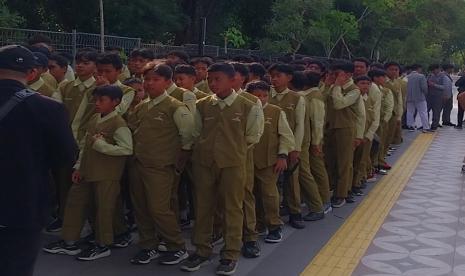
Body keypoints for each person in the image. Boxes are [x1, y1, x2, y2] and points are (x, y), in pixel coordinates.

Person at [0, 44, 77, 276]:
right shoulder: (48, 108)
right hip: (22, 204)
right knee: (16, 267)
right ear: (32, 73)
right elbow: (65, 157)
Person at [180, 63, 262, 275]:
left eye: (218, 79)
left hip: (233, 164)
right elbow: (196, 132)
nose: (213, 83)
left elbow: (253, 135)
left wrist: (232, 150)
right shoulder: (202, 104)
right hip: (204, 163)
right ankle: (201, 250)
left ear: (232, 79)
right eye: (210, 79)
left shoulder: (249, 105)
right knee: (203, 206)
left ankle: (230, 253)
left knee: (232, 208)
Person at [43, 85, 133, 261]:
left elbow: (127, 149)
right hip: (86, 170)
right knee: (75, 203)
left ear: (115, 102)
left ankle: (103, 244)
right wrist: (78, 166)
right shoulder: (94, 119)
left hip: (107, 174)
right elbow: (84, 146)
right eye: (96, 100)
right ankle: (69, 241)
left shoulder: (118, 123)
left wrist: (102, 146)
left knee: (104, 210)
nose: (97, 104)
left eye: (102, 100)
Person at [128, 63, 194, 265]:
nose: (149, 84)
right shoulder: (142, 106)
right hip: (139, 164)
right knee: (141, 207)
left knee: (159, 209)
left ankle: (176, 246)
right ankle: (148, 245)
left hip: (161, 167)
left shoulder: (175, 107)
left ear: (167, 82)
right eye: (146, 79)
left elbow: (188, 138)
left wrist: (177, 164)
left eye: (155, 79)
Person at [247, 80, 295, 243]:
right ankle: (255, 225)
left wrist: (282, 156)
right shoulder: (244, 109)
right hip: (246, 160)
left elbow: (286, 136)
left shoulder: (276, 112)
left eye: (265, 95)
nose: (261, 99)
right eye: (257, 96)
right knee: (249, 195)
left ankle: (274, 226)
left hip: (269, 161)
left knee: (269, 194)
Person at [268, 63, 307, 228]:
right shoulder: (265, 94)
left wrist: (296, 148)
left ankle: (295, 212)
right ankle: (271, 215)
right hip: (269, 144)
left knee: (292, 180)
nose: (274, 79)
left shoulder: (297, 98)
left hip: (289, 145)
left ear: (289, 78)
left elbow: (300, 125)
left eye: (278, 76)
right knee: (270, 182)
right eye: (272, 76)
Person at [324, 61, 365, 208]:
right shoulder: (332, 86)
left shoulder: (354, 90)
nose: (334, 77)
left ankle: (341, 194)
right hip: (330, 127)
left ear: (348, 75)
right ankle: (330, 188)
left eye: (338, 74)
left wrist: (336, 86)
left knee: (344, 162)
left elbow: (339, 104)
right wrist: (327, 84)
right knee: (330, 160)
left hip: (346, 129)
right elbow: (321, 99)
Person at [406, 64, 432, 132]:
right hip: (420, 97)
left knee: (410, 112)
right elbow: (424, 87)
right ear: (418, 68)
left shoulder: (407, 77)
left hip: (409, 97)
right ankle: (425, 127)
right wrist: (426, 93)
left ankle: (410, 126)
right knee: (423, 112)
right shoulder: (421, 76)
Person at [427, 64, 445, 130]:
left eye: (434, 70)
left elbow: (444, 87)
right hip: (429, 96)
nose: (433, 72)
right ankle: (425, 124)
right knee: (425, 111)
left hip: (438, 97)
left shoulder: (443, 76)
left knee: (436, 112)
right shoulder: (430, 75)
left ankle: (434, 125)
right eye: (432, 71)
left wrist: (434, 85)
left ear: (438, 69)